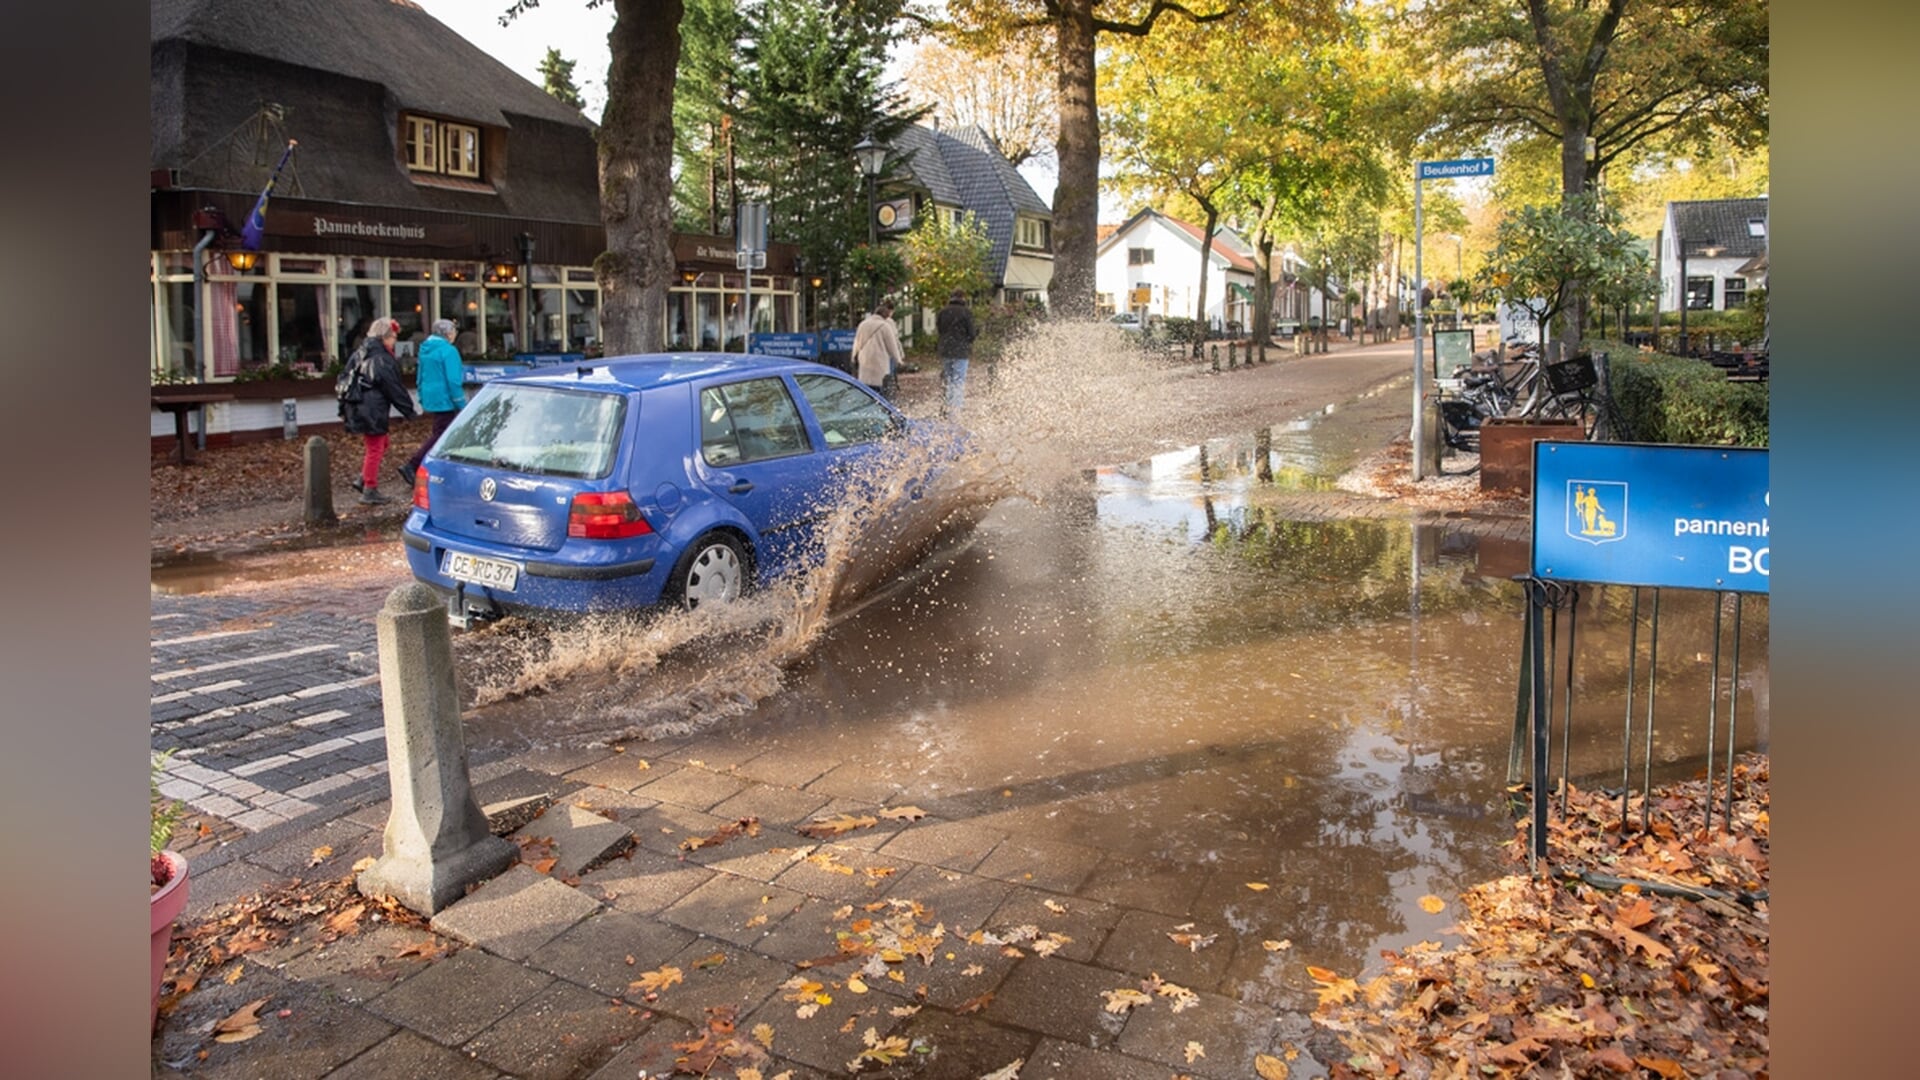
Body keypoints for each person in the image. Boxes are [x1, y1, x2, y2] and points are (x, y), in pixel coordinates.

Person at [340, 317, 418, 504]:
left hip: (360, 405)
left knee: (381, 443)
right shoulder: (381, 358)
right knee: (375, 447)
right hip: (372, 408)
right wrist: (409, 411)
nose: (395, 341)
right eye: (393, 337)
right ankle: (370, 488)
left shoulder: (361, 352)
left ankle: (364, 478)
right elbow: (393, 387)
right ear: (385, 337)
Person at [399, 318, 467, 488]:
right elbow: (453, 380)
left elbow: (420, 374)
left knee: (441, 431)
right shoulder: (449, 351)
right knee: (442, 434)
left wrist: (422, 394)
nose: (454, 335)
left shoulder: (426, 349)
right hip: (446, 398)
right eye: (453, 332)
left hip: (431, 396)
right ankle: (414, 465)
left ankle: (432, 468)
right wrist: (462, 404)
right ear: (448, 333)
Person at [934, 289, 978, 417]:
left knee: (948, 379)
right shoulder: (966, 313)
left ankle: (946, 407)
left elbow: (940, 330)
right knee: (958, 380)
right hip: (961, 351)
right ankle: (955, 411)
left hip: (945, 349)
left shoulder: (943, 312)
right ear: (963, 298)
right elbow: (971, 333)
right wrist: (968, 340)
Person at [851, 298, 904, 400]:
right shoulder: (884, 326)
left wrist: (853, 357)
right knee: (881, 395)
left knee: (867, 394)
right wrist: (899, 360)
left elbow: (856, 344)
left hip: (865, 364)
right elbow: (892, 347)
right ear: (885, 315)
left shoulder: (863, 324)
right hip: (880, 365)